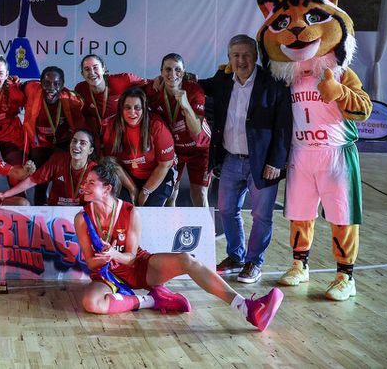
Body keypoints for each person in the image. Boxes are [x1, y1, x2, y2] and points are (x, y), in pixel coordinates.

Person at [74, 158, 283, 331]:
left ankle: (247, 308)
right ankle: (152, 300)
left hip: (137, 268)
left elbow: (130, 258)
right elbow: (90, 264)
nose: (84, 186)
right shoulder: (82, 218)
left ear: (107, 188)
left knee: (186, 259)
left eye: (91, 182)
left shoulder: (130, 212)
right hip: (106, 276)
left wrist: (113, 254)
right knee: (91, 303)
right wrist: (100, 260)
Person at [197, 35, 291, 284]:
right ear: (229, 59)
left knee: (262, 215)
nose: (241, 60)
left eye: (246, 55)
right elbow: (196, 86)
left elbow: (284, 126)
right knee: (227, 210)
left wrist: (277, 162)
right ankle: (235, 256)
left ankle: (253, 262)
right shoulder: (222, 82)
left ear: (256, 56)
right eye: (236, 55)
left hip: (263, 164)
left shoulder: (273, 84)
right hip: (230, 159)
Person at [145, 54, 210, 207]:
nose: (172, 74)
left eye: (177, 70)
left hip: (200, 148)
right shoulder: (154, 90)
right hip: (175, 150)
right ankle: (171, 230)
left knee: (199, 194)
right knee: (170, 194)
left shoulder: (194, 90)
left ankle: (207, 231)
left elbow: (195, 130)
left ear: (184, 71)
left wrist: (185, 104)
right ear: (161, 72)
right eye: (168, 69)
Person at [22, 66, 86, 205]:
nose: (51, 88)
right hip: (41, 143)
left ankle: (62, 206)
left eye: (56, 84)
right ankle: (40, 211)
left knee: (63, 176)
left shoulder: (71, 101)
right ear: (40, 83)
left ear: (62, 85)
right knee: (40, 179)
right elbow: (22, 86)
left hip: (63, 143)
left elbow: (80, 128)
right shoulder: (33, 90)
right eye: (46, 83)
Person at [101, 88, 175, 207]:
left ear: (144, 109)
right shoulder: (112, 127)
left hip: (156, 176)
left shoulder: (157, 126)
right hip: (127, 177)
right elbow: (112, 163)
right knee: (125, 208)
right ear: (121, 109)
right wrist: (132, 189)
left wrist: (145, 192)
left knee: (150, 209)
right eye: (127, 107)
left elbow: (165, 164)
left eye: (137, 108)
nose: (132, 112)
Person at [0, 128, 97, 205]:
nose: (76, 145)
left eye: (83, 143)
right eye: (74, 141)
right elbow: (33, 180)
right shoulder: (58, 160)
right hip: (56, 214)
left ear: (90, 150)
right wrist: (4, 195)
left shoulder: (95, 170)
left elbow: (99, 200)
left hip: (81, 216)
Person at [75, 54, 145, 140]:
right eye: (87, 69)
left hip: (122, 135)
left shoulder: (123, 80)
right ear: (82, 74)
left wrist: (159, 79)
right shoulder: (80, 89)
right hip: (98, 138)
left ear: (103, 69)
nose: (92, 72)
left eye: (95, 67)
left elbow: (149, 85)